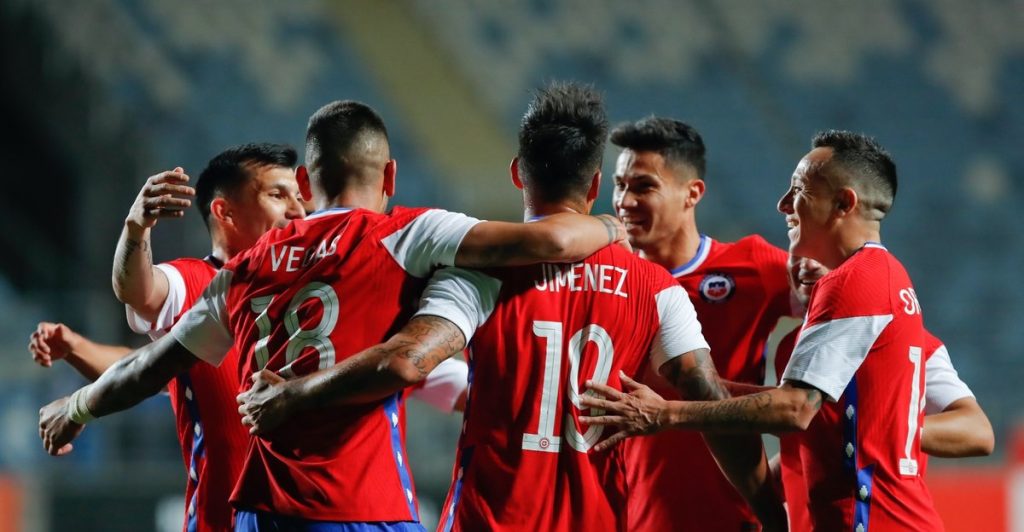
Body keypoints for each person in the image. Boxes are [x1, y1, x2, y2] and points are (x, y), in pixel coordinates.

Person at [38, 99, 628, 531]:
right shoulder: (405, 234)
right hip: (360, 505)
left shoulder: (242, 271)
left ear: (305, 181)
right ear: (390, 176)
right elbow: (552, 242)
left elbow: (148, 369)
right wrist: (611, 224)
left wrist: (77, 407)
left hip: (261, 511)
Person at [234, 83, 786, 531]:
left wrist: (295, 393)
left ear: (518, 172)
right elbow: (710, 400)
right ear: (596, 183)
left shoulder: (479, 274)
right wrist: (771, 513)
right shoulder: (657, 288)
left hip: (489, 519)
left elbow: (410, 358)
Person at [581, 130, 948, 530]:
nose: (783, 204)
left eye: (799, 190)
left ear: (844, 203)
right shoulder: (885, 277)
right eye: (619, 185)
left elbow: (795, 408)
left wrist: (664, 413)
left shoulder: (847, 282)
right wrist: (699, 384)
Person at [610, 116, 796, 531]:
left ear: (692, 193)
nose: (624, 201)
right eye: (619, 185)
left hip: (734, 520)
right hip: (630, 520)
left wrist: (794, 466)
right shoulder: (610, 281)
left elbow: (853, 318)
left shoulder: (752, 267)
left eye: (643, 186)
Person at [775, 253, 994, 531]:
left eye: (821, 252)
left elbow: (978, 431)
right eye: (797, 251)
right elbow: (800, 456)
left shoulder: (902, 339)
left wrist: (882, 434)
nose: (808, 263)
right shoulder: (790, 348)